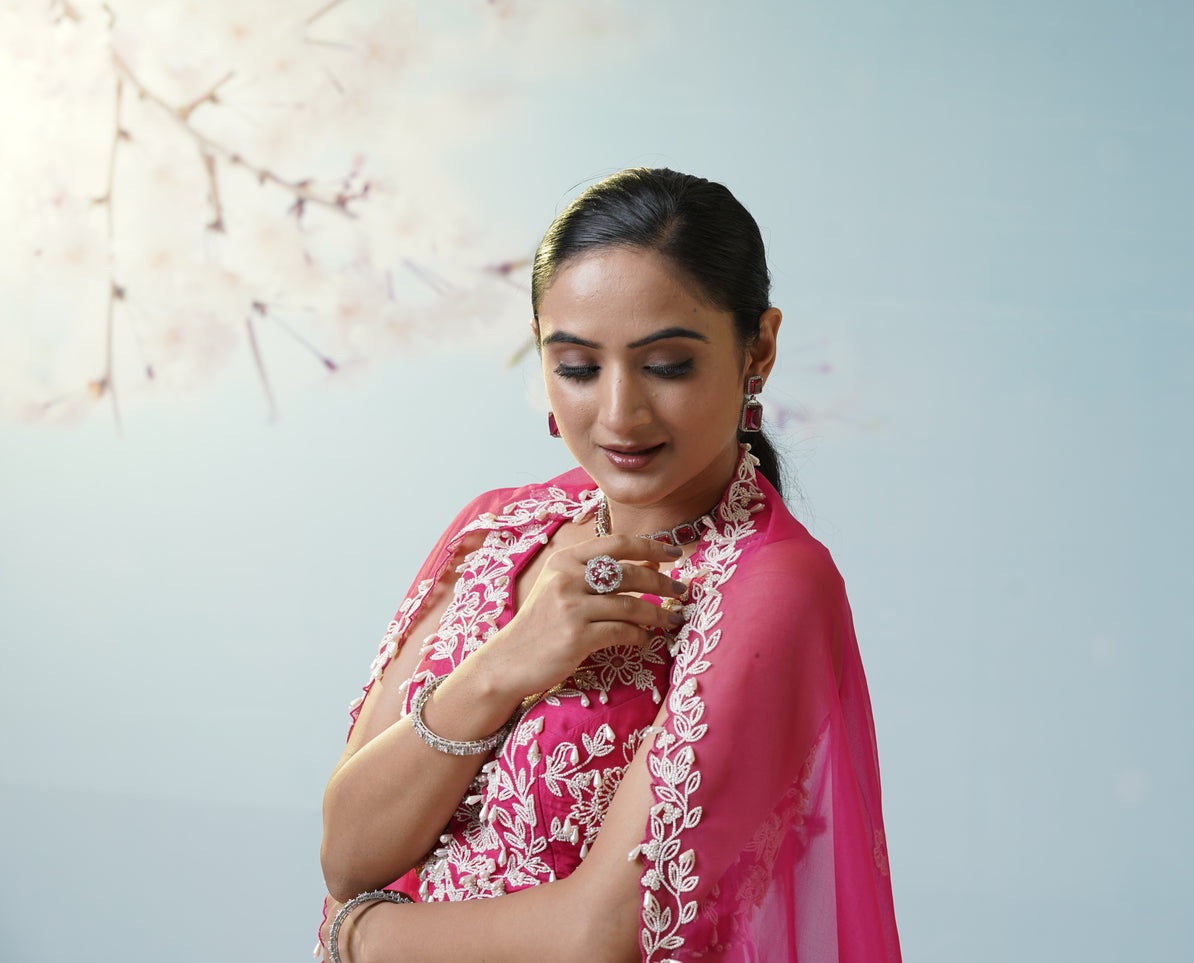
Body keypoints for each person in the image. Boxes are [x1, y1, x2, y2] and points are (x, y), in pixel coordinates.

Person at [318, 168, 901, 963]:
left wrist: (359, 937)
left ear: (756, 349)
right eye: (580, 367)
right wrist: (503, 666)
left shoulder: (770, 585)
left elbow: (598, 936)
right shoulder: (496, 528)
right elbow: (349, 852)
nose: (619, 413)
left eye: (665, 365)